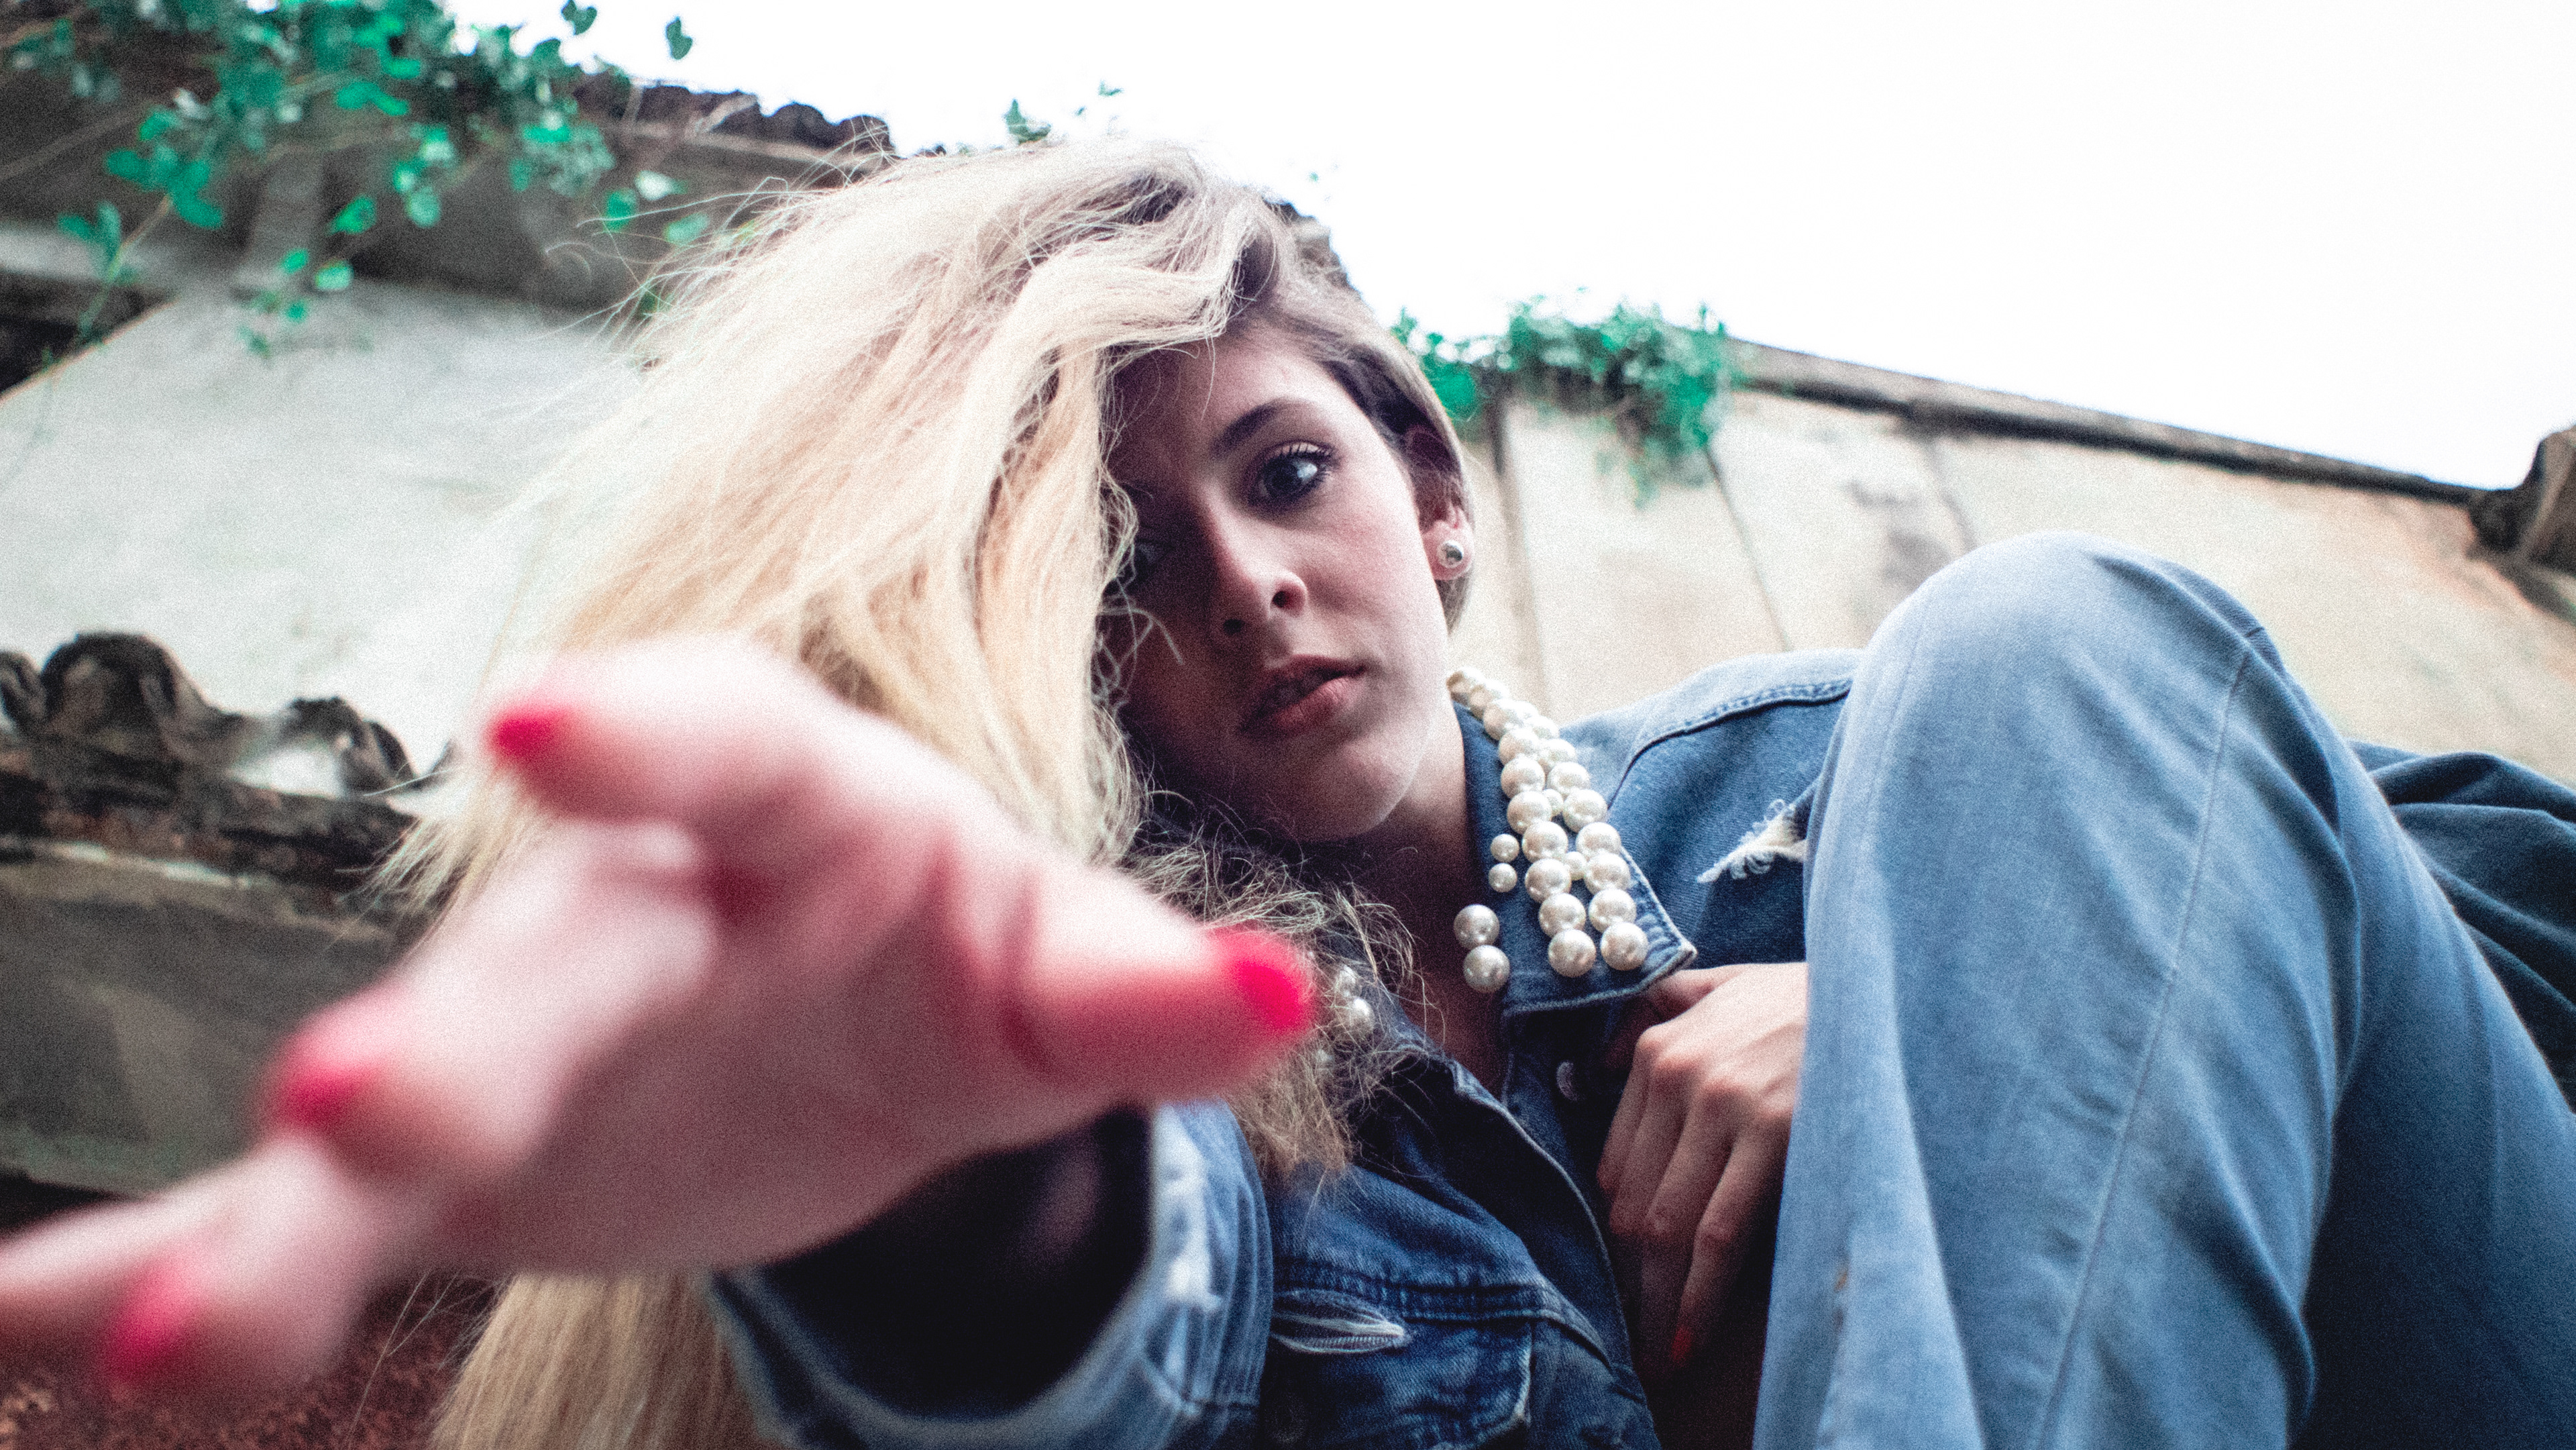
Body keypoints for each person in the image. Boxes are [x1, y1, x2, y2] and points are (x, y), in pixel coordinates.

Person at [0, 139, 2571, 1450]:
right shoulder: (1188, 1042)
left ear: (1435, 502)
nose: (1240, 584)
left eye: (1289, 473)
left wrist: (1952, 1002)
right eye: (1124, 560)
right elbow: (1117, 1317)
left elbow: (2486, 936)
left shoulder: (1846, 774)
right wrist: (933, 1177)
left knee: (2045, 646)